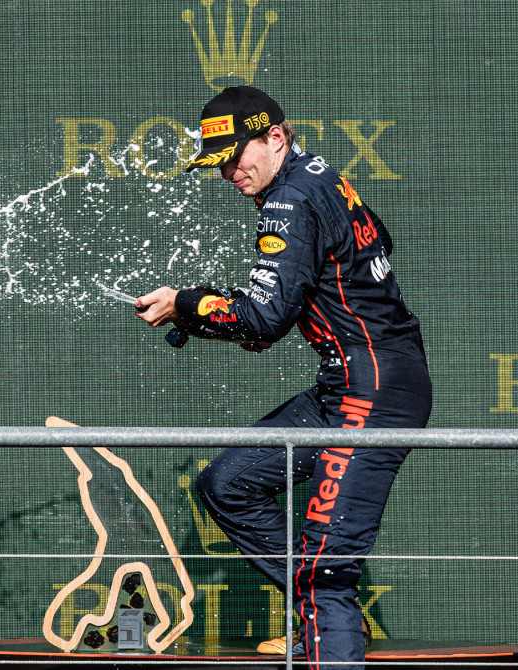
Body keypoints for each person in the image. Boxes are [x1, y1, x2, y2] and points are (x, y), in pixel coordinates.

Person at [135, 86, 431, 667]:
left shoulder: (289, 198)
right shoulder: (317, 176)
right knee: (227, 483)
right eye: (216, 162)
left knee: (326, 575)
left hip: (371, 391)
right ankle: (324, 619)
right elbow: (298, 299)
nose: (226, 173)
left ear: (274, 137)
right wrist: (232, 317)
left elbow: (265, 318)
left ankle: (327, 621)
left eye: (233, 157)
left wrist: (187, 304)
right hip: (347, 384)